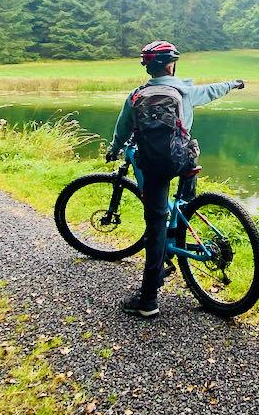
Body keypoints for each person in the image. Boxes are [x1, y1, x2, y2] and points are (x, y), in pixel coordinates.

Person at [105, 40, 245, 318]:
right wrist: (234, 83)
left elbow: (122, 130)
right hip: (183, 161)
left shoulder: (135, 96)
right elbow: (214, 90)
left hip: (154, 167)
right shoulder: (185, 91)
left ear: (148, 68)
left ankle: (147, 300)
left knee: (155, 226)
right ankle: (184, 216)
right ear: (172, 65)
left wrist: (113, 149)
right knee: (183, 194)